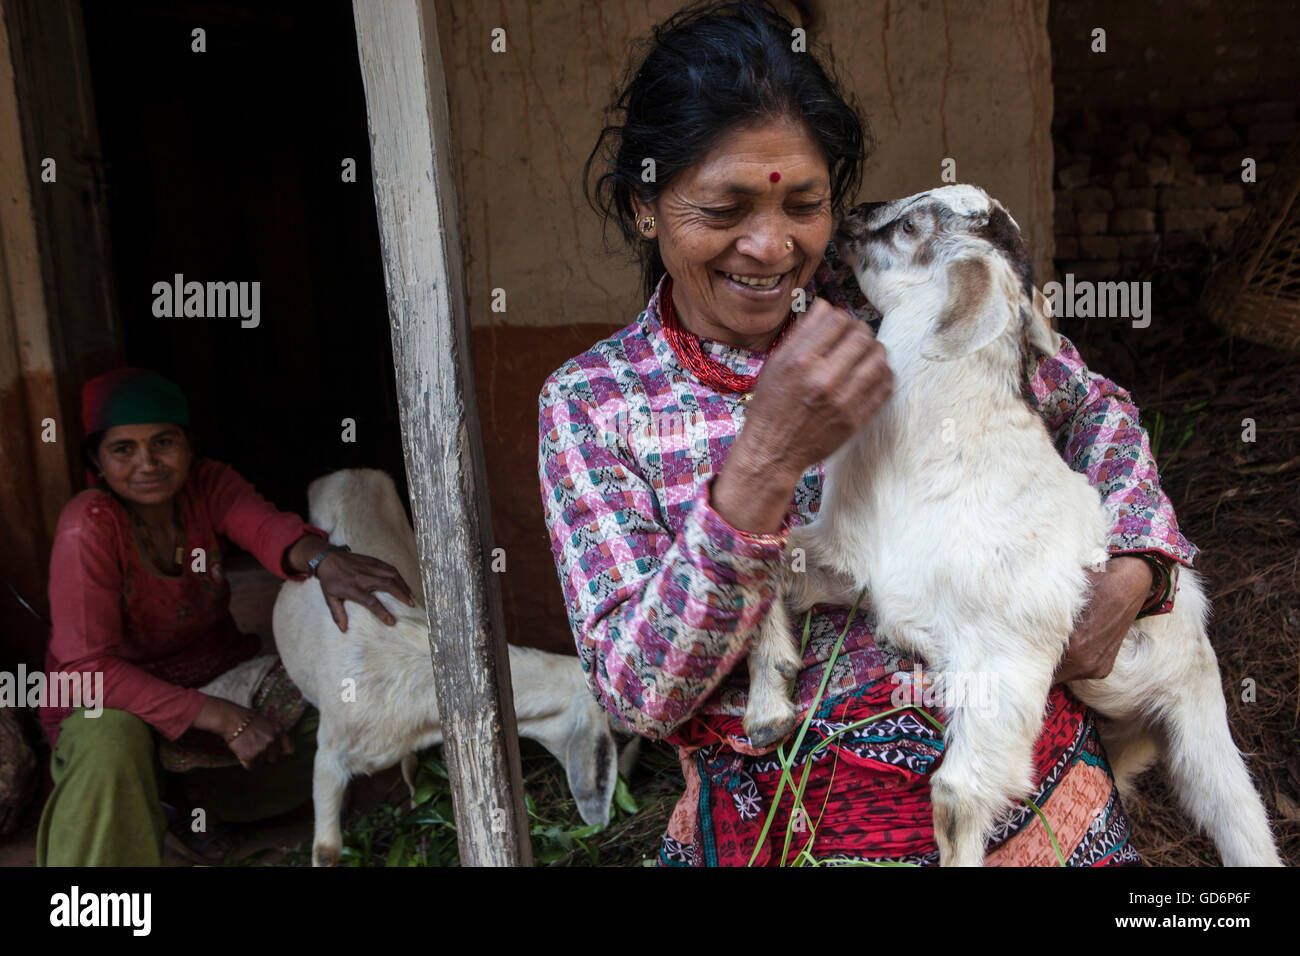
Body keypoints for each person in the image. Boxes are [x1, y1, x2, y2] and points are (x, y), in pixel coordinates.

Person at [539, 0, 1196, 866]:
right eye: (726, 208)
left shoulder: (909, 306)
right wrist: (764, 460)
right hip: (784, 839)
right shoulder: (596, 404)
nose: (770, 246)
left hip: (1028, 811)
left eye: (803, 204)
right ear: (645, 208)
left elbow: (1095, 411)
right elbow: (641, 696)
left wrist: (1136, 569)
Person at [37, 366, 416, 865]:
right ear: (97, 461)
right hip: (113, 703)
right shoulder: (88, 524)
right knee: (111, 740)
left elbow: (263, 527)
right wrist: (219, 718)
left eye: (164, 442)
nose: (147, 463)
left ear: (189, 447)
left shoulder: (207, 484)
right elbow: (85, 671)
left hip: (215, 675)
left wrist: (326, 561)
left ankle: (195, 805)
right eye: (123, 449)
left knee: (347, 687)